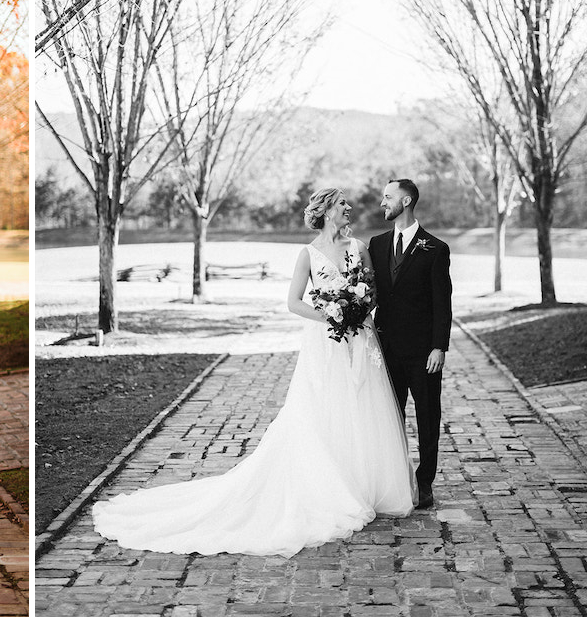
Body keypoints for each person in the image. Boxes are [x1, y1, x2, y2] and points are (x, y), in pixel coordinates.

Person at [92, 187, 414, 557]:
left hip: (360, 340)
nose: (349, 208)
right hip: (325, 341)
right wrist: (333, 313)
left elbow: (371, 292)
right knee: (324, 406)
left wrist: (359, 308)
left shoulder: (359, 248)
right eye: (342, 203)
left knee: (362, 406)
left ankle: (364, 482)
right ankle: (328, 485)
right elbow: (293, 302)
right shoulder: (307, 253)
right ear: (326, 210)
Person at [369, 178, 452, 510]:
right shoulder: (376, 244)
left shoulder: (435, 249)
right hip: (386, 349)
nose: (382, 203)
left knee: (428, 415)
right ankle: (396, 479)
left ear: (405, 201)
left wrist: (439, 347)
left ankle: (425, 482)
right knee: (390, 415)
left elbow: (442, 303)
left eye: (387, 197)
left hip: (423, 352)